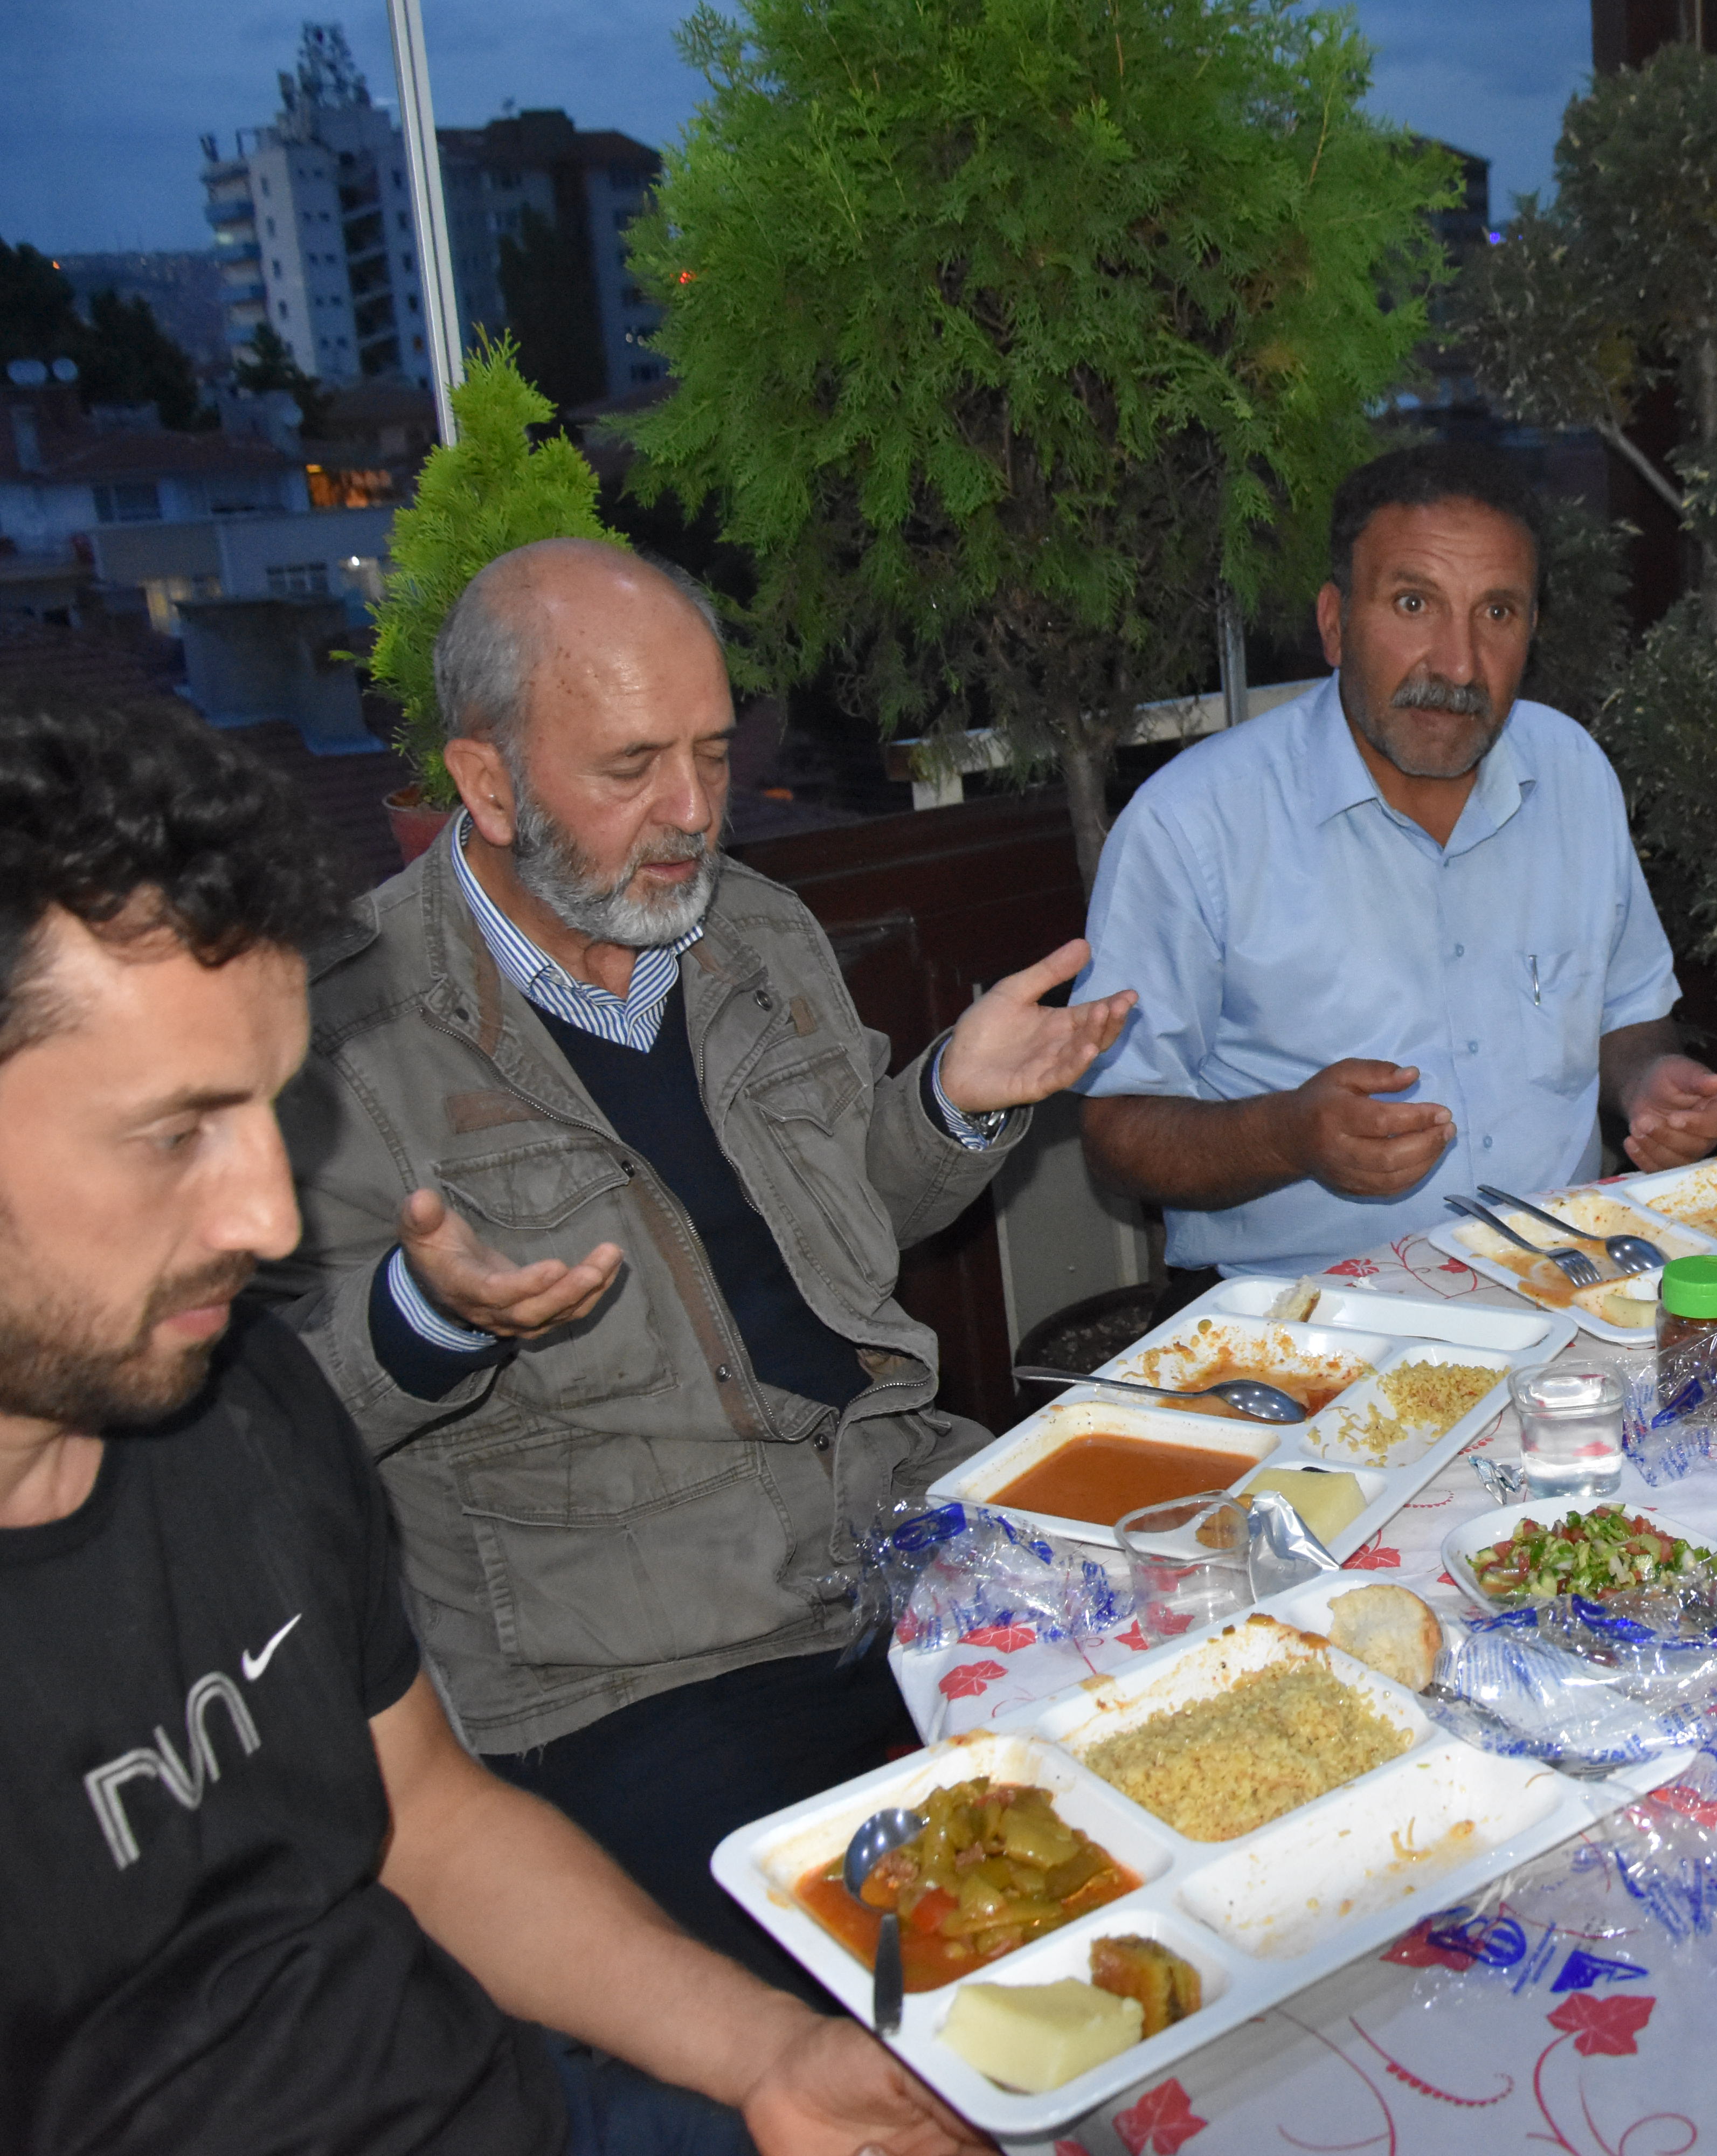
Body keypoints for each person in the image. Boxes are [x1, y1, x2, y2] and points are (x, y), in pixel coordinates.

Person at [0, 697, 980, 2154]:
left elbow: (426, 1820)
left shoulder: (237, 1408)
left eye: (270, 1114)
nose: (266, 1216)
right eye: (175, 1133)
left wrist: (772, 2056)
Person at [265, 539, 1133, 1989]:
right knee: (919, 1995)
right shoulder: (335, 1036)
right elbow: (259, 1419)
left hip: (906, 1533)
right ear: (487, 786)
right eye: (632, 767)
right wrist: (425, 1317)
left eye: (715, 754)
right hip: (641, 1671)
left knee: (1209, 1814)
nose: (693, 813)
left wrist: (949, 1103)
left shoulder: (757, 935)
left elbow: (844, 1222)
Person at [1077, 443, 1717, 1277]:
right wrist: (1287, 1137)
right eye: (1414, 603)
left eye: (1497, 612)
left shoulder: (1572, 770)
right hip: (1302, 1321)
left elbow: (1627, 1010)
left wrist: (1651, 1082)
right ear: (1334, 623)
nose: (1458, 664)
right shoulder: (1193, 823)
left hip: (1568, 1284)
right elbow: (1116, 1131)